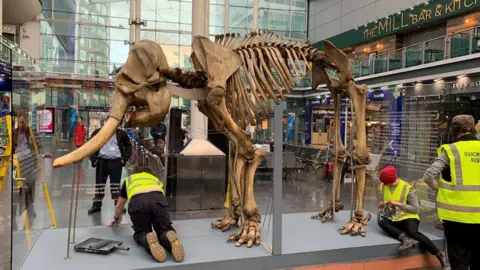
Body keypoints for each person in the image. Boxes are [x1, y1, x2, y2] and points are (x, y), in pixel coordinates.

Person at [423, 114, 480, 270]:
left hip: (456, 217)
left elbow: (429, 175)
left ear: (454, 130)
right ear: (474, 128)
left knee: (459, 261)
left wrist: (441, 189)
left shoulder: (451, 150)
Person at [377, 166, 449, 269]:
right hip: (395, 217)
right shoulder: (384, 185)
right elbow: (389, 198)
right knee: (381, 222)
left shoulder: (407, 188)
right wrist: (384, 203)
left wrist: (399, 204)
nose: (384, 185)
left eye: (385, 183)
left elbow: (415, 209)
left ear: (391, 181)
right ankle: (405, 239)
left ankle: (440, 256)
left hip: (408, 216)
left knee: (413, 232)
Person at [107, 166, 184, 263]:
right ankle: (168, 234)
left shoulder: (129, 180)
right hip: (158, 200)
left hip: (138, 201)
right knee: (163, 229)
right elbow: (160, 199)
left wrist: (115, 218)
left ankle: (147, 237)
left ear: (135, 173)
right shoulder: (155, 180)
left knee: (141, 232)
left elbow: (119, 205)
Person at [88, 121, 132, 214]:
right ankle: (97, 204)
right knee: (100, 184)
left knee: (115, 185)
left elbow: (128, 145)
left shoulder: (121, 133)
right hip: (101, 161)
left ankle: (118, 204)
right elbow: (89, 145)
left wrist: (124, 159)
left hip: (116, 162)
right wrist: (94, 159)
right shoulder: (98, 132)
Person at [12, 115, 38, 217]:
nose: (20, 124)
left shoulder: (30, 133)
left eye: (22, 122)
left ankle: (30, 207)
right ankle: (15, 211)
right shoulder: (14, 133)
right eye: (19, 122)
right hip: (17, 163)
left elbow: (36, 147)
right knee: (18, 188)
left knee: (30, 186)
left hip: (28, 162)